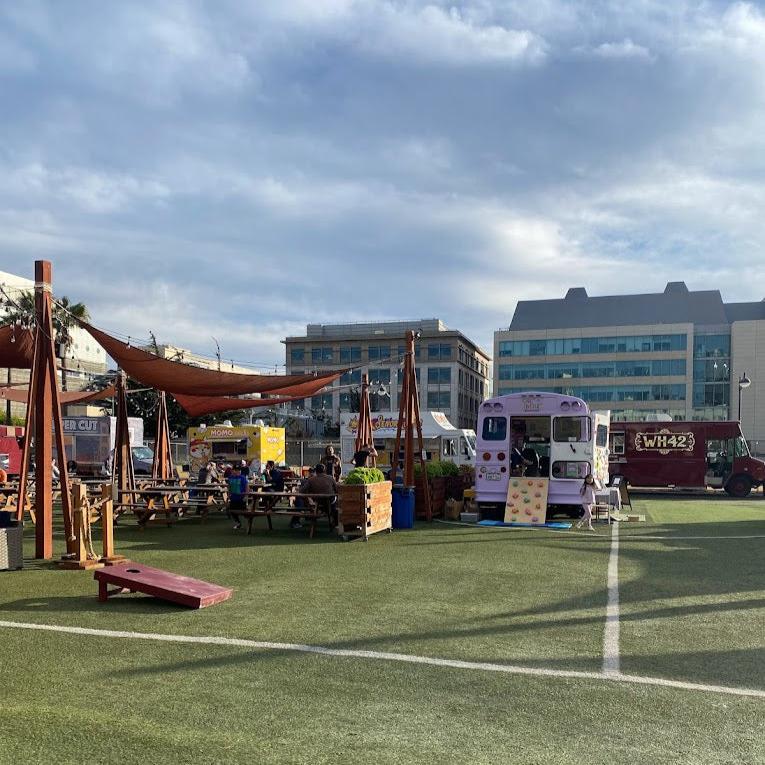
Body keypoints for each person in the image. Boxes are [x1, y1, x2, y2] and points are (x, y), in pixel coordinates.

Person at [299, 463, 338, 528]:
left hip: (317, 502)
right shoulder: (330, 478)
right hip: (330, 501)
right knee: (336, 501)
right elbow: (337, 490)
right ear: (324, 470)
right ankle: (335, 520)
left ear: (316, 471)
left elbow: (301, 491)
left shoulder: (311, 480)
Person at [227, 464, 249, 530]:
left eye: (238, 470)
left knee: (244, 512)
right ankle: (238, 523)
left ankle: (249, 521)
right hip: (233, 497)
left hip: (241, 498)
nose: (237, 472)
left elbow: (247, 487)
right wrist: (228, 495)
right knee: (232, 511)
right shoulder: (230, 477)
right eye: (235, 470)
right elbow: (229, 487)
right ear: (232, 470)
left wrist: (246, 496)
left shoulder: (242, 478)